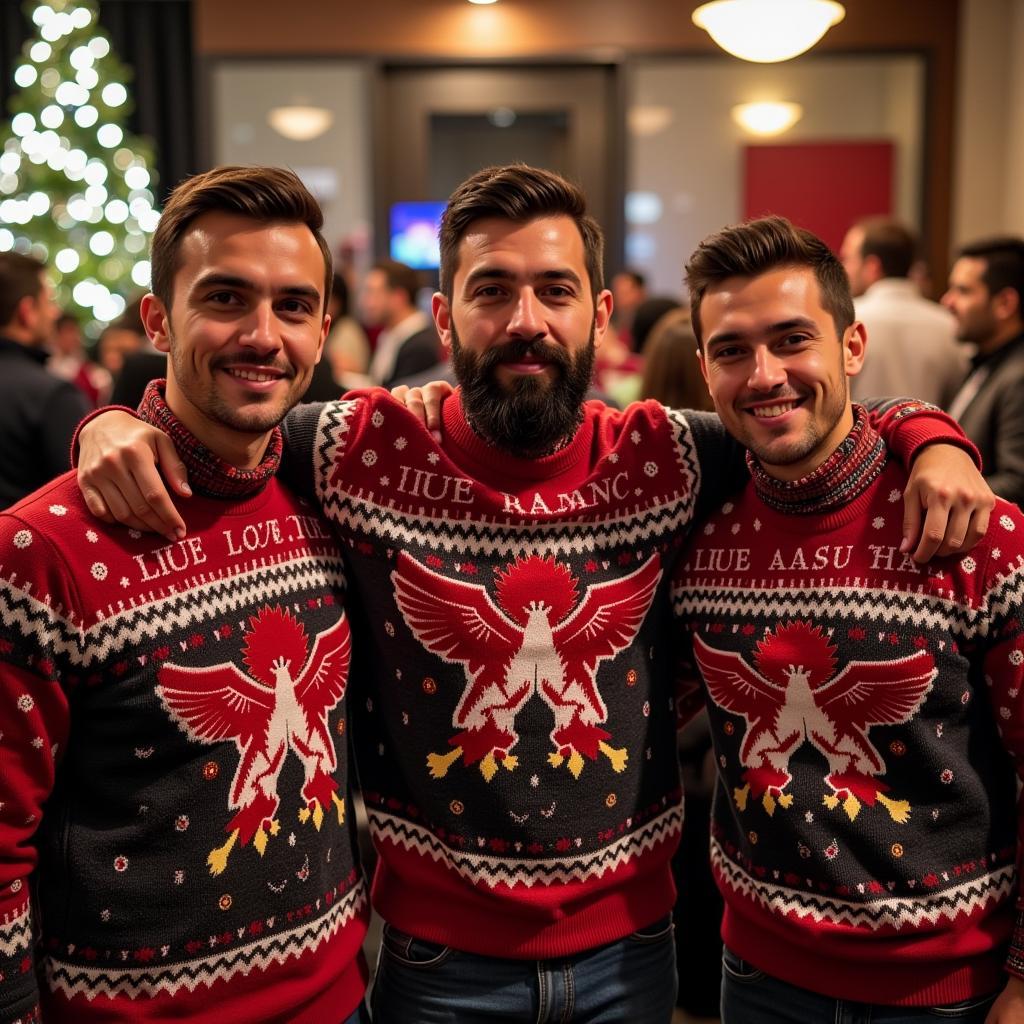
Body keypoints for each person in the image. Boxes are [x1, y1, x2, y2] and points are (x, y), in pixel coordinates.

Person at [75, 165, 991, 1023]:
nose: (526, 320)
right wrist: (114, 421)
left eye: (555, 290)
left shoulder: (673, 456)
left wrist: (930, 433)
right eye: (491, 291)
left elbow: (812, 419)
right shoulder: (356, 449)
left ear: (597, 313)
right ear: (443, 319)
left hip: (632, 954)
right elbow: (231, 424)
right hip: (436, 964)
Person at [0, 166, 370, 1023]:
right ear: (158, 320)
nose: (262, 335)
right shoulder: (41, 547)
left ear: (323, 329)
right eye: (226, 299)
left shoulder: (332, 485)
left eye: (293, 306)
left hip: (341, 1001)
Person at [674, 215, 1024, 1022]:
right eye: (731, 350)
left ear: (852, 347)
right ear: (703, 368)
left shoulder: (973, 530)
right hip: (756, 978)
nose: (765, 375)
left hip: (946, 995)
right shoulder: (700, 526)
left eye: (793, 339)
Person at [839, 217, 967, 408]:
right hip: (933, 436)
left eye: (848, 259)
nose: (844, 268)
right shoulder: (950, 325)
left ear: (873, 267)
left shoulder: (845, 320)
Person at [0, 252, 89, 508]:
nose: (54, 312)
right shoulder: (53, 395)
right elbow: (82, 498)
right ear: (26, 312)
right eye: (48, 301)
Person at [944, 237, 1024, 507]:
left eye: (963, 291)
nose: (948, 301)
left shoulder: (1018, 376)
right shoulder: (985, 362)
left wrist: (939, 493)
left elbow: (1018, 482)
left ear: (1005, 303)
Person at [362, 259, 441, 387]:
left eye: (372, 292)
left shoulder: (419, 348)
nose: (366, 302)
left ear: (398, 297)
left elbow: (398, 403)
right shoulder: (391, 334)